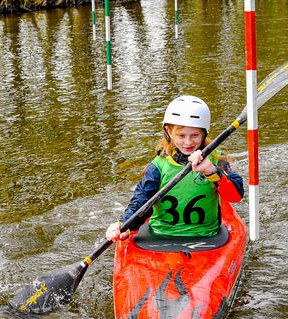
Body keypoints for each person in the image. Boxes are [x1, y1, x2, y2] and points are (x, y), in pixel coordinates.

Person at [105, 95, 245, 242]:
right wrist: (124, 225)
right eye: (181, 135)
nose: (188, 142)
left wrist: (211, 171)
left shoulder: (216, 160)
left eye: (195, 135)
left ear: (204, 133)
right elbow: (141, 200)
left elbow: (235, 197)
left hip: (206, 236)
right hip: (160, 235)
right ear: (169, 131)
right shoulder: (158, 167)